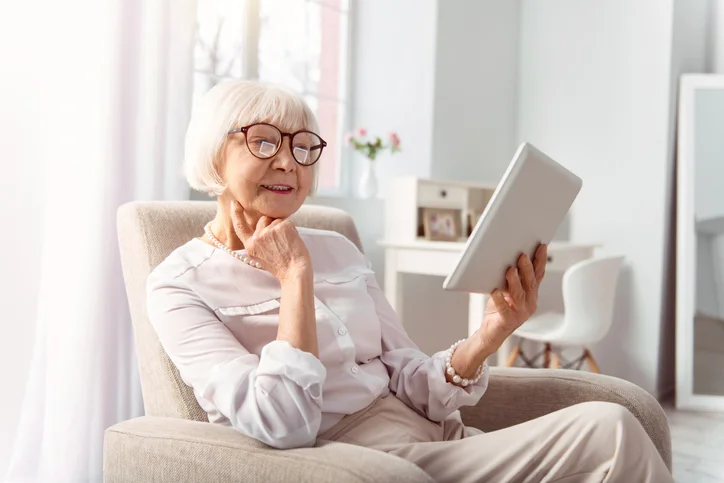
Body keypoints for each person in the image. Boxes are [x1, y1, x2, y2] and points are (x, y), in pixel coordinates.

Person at [146, 80, 673, 483]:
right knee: (610, 429)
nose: (288, 161)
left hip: (444, 438)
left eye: (303, 145)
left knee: (619, 429)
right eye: (262, 142)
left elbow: (411, 378)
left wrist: (492, 331)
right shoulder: (179, 286)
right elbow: (284, 423)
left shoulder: (339, 249)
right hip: (372, 463)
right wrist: (294, 277)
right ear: (213, 154)